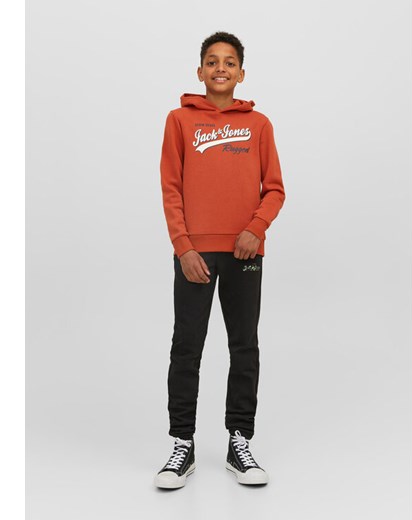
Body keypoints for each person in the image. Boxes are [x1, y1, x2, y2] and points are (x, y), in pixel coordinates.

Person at [154, 31, 286, 489]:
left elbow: (275, 189)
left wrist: (255, 229)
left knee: (243, 345)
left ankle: (239, 442)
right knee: (186, 346)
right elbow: (171, 188)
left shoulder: (259, 125)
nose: (221, 68)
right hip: (195, 253)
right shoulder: (179, 121)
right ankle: (182, 444)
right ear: (200, 71)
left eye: (229, 62)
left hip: (245, 251)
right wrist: (184, 247)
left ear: (241, 73)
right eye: (212, 61)